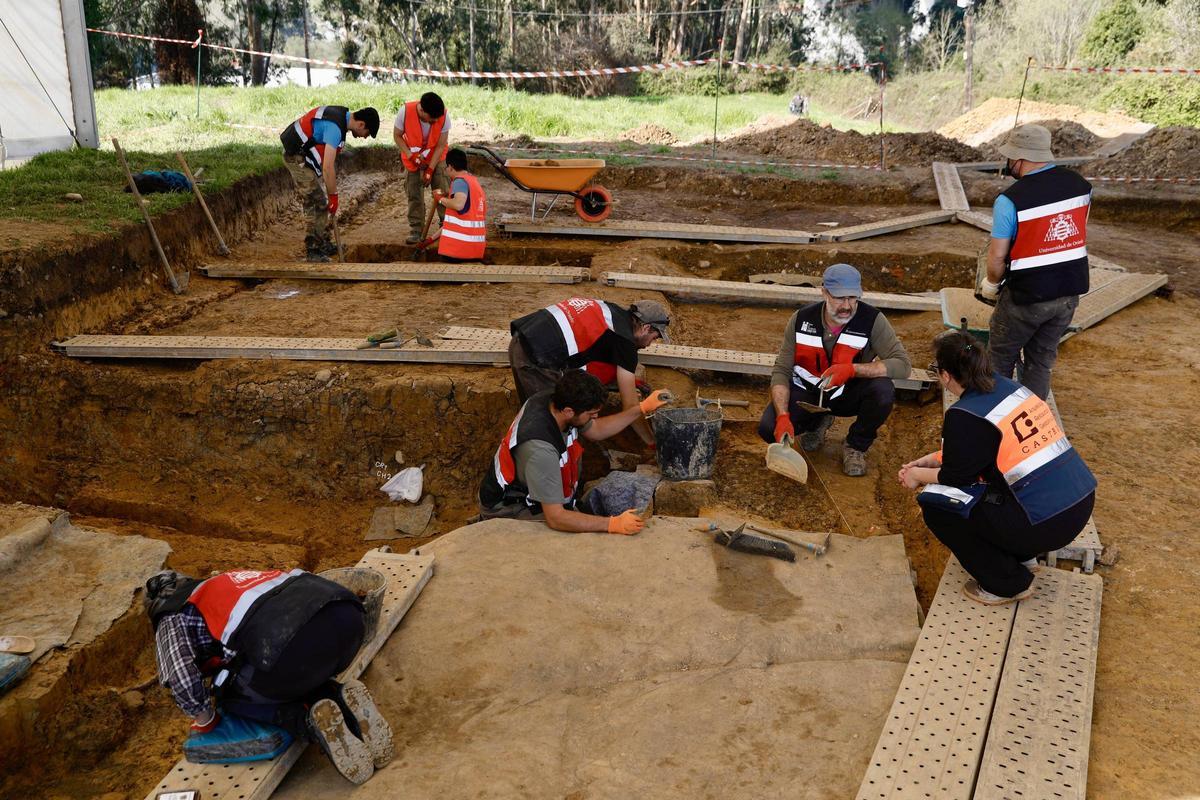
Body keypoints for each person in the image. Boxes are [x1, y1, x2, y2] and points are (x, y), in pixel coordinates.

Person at [898, 331, 1097, 605]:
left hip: (1044, 523)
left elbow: (958, 478)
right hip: (1078, 504)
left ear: (945, 376)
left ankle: (1006, 584)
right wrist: (936, 457)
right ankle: (1023, 555)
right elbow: (993, 448)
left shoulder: (963, 414)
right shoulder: (1012, 389)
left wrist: (916, 475)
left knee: (938, 506)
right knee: (994, 488)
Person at [146, 567, 392, 784]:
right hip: (348, 620)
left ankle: (308, 720)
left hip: (294, 649)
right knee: (289, 666)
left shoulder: (171, 616)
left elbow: (182, 678)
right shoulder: (227, 580)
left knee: (232, 694)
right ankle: (341, 697)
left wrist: (206, 719)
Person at [760, 263, 911, 477]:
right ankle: (817, 422)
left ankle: (855, 445)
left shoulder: (872, 320)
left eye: (852, 298)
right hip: (809, 395)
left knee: (883, 390)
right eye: (840, 298)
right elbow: (782, 370)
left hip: (848, 394)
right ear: (824, 292)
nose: (847, 306)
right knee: (768, 429)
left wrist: (852, 370)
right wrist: (783, 415)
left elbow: (903, 365)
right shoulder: (802, 319)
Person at [477, 369, 672, 532]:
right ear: (569, 411)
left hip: (545, 497)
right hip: (512, 510)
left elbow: (596, 430)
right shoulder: (540, 449)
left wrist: (642, 408)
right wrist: (611, 524)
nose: (594, 418)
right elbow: (556, 518)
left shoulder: (554, 401)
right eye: (591, 414)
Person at [979, 123, 1091, 400]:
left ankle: (996, 421)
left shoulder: (1010, 200)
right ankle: (1032, 418)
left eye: (1009, 159)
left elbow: (997, 256)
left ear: (1018, 158)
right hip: (1068, 293)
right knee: (1040, 362)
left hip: (1027, 296)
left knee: (999, 360)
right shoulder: (1081, 186)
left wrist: (991, 284)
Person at [508, 297, 671, 447]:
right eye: (654, 338)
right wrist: (651, 441)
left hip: (522, 337)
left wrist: (624, 382)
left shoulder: (612, 312)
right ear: (646, 328)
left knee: (539, 413)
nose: (650, 344)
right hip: (536, 359)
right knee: (552, 424)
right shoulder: (625, 343)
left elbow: (593, 352)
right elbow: (630, 406)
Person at [280, 105, 380, 262]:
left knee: (320, 200)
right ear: (361, 124)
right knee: (316, 202)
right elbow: (327, 168)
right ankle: (313, 250)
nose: (364, 137)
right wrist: (334, 196)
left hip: (303, 155)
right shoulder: (335, 128)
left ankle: (322, 242)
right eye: (366, 134)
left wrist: (331, 193)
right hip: (294, 157)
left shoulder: (341, 117)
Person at [393, 92, 451, 244]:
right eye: (432, 119)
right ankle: (416, 230)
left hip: (437, 157)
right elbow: (397, 136)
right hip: (412, 159)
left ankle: (446, 226)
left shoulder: (444, 116)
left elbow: (440, 145)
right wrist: (410, 155)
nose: (436, 121)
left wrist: (431, 169)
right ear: (422, 111)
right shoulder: (404, 112)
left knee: (442, 189)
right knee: (414, 194)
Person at [433, 148, 488, 262]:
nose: (446, 170)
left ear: (451, 167)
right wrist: (430, 239)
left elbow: (458, 205)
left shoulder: (459, 182)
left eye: (446, 167)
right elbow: (453, 225)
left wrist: (440, 199)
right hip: (475, 249)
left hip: (459, 251)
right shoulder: (473, 181)